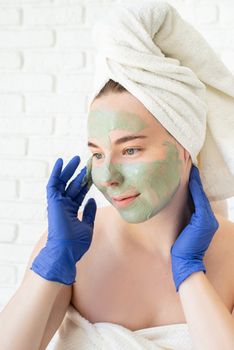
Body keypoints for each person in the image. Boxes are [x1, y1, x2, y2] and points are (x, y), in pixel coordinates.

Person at [0, 79, 234, 350]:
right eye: (98, 154)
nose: (108, 177)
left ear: (184, 151)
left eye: (130, 150)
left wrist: (190, 271)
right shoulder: (73, 249)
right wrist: (47, 269)